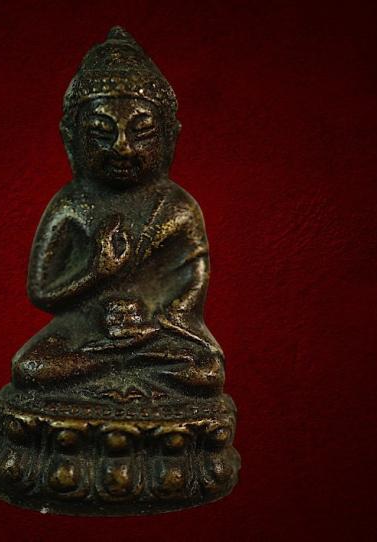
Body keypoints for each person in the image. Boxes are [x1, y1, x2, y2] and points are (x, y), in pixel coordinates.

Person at [12, 27, 224, 399]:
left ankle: (116, 364)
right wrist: (96, 271)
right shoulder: (72, 204)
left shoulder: (177, 207)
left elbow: (193, 284)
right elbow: (41, 292)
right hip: (82, 333)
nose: (122, 147)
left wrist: (152, 320)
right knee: (30, 368)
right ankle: (113, 364)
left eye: (141, 132)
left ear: (169, 137)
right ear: (71, 139)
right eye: (101, 133)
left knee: (205, 372)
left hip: (154, 334)